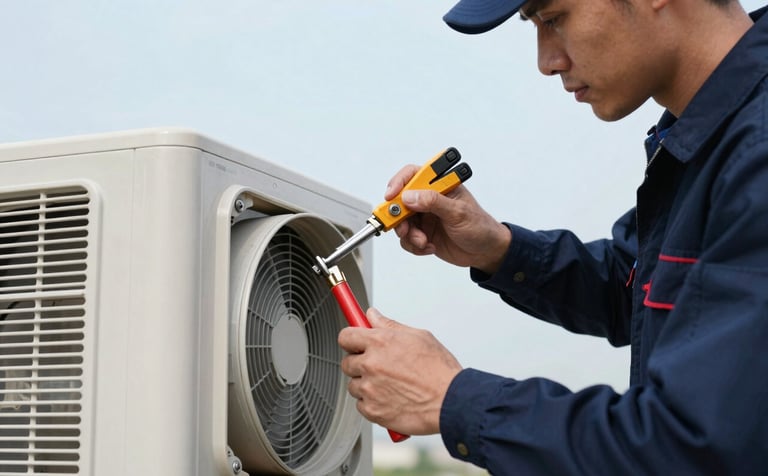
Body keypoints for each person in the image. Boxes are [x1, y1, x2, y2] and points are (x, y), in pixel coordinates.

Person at [337, 0, 768, 473]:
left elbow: (691, 447)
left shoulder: (757, 150)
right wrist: (499, 250)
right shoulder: (714, 139)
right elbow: (639, 286)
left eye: (553, 18)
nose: (546, 62)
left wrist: (449, 397)